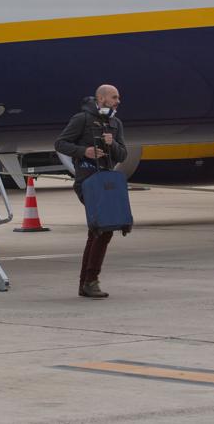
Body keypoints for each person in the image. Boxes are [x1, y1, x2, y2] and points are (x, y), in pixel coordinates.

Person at [54, 85, 127, 299]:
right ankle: (91, 280)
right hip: (87, 180)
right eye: (114, 97)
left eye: (119, 97)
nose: (118, 101)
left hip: (107, 181)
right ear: (101, 98)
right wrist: (83, 151)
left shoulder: (115, 123)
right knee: (103, 228)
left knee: (98, 230)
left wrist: (111, 145)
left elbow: (122, 155)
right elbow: (60, 143)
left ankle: (85, 283)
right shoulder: (82, 119)